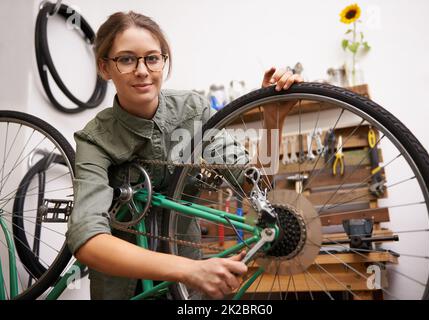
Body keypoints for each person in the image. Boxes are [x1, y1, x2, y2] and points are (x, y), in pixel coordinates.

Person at [66, 10, 303, 300]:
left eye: (152, 58)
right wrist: (189, 270)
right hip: (122, 289)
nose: (142, 70)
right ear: (105, 68)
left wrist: (272, 120)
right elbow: (87, 241)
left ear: (163, 62)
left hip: (188, 289)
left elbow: (254, 184)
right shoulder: (94, 139)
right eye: (127, 59)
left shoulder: (192, 111)